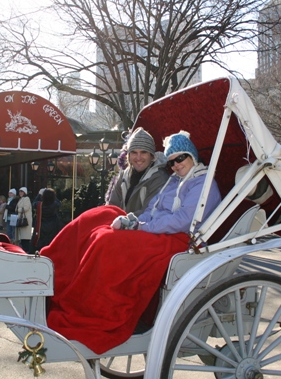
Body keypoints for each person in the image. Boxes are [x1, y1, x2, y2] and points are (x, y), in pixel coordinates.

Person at [40, 130, 221, 354]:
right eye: (172, 161)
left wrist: (143, 227)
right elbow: (151, 210)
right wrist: (133, 221)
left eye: (180, 158)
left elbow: (183, 221)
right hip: (157, 232)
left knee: (108, 243)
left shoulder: (202, 183)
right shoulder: (174, 181)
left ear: (192, 156)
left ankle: (89, 306)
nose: (175, 165)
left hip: (179, 240)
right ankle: (54, 266)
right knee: (98, 223)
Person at [107, 127, 169, 216]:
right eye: (134, 152)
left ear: (152, 156)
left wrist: (123, 221)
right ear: (128, 156)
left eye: (143, 152)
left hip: (143, 227)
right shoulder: (124, 175)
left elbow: (149, 213)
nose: (138, 158)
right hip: (121, 225)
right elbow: (112, 205)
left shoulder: (159, 178)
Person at [32, 188, 63, 252]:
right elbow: (59, 203)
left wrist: (39, 194)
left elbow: (33, 203)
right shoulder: (55, 204)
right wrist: (53, 196)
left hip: (41, 226)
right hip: (53, 226)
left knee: (40, 244)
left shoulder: (39, 205)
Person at [15, 187, 33, 253]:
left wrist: (18, 210)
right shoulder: (21, 199)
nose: (20, 193)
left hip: (25, 221)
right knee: (23, 237)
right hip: (21, 220)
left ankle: (26, 250)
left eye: (22, 191)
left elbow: (26, 208)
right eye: (20, 191)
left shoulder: (26, 198)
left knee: (25, 238)